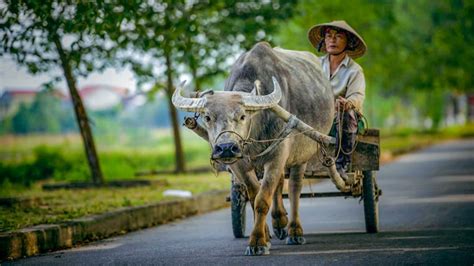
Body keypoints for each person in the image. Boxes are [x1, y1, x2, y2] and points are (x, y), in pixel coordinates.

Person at [307, 20, 367, 179]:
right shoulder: (314, 65)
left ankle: (342, 164)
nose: (332, 40)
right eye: (329, 36)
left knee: (346, 113)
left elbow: (357, 96)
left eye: (338, 36)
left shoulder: (355, 71)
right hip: (315, 119)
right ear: (324, 41)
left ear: (348, 42)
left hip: (341, 121)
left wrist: (349, 103)